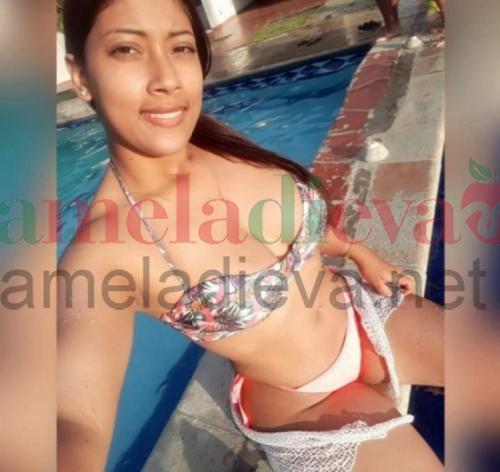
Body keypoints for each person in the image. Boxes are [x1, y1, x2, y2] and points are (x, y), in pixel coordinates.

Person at [58, 0, 444, 470]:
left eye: (180, 47)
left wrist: (357, 251)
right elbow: (73, 419)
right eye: (127, 49)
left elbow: (299, 229)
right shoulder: (101, 253)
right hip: (302, 402)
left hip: (362, 313)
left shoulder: (222, 146)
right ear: (81, 76)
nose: (166, 77)